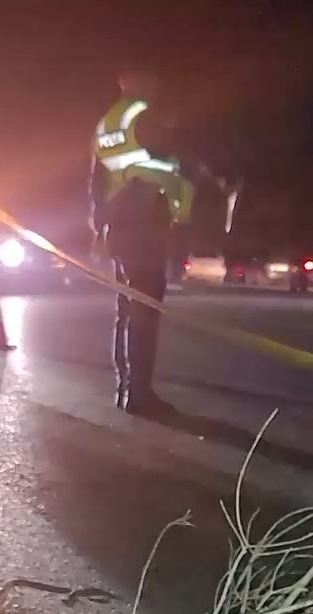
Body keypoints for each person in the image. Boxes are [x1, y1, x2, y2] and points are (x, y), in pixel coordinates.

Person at [90, 69, 199, 414]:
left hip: (120, 228)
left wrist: (100, 227)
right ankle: (139, 393)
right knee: (145, 313)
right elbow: (168, 168)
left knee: (126, 312)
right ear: (142, 81)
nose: (158, 87)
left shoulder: (108, 123)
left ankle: (126, 388)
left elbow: (96, 180)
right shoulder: (145, 117)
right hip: (145, 226)